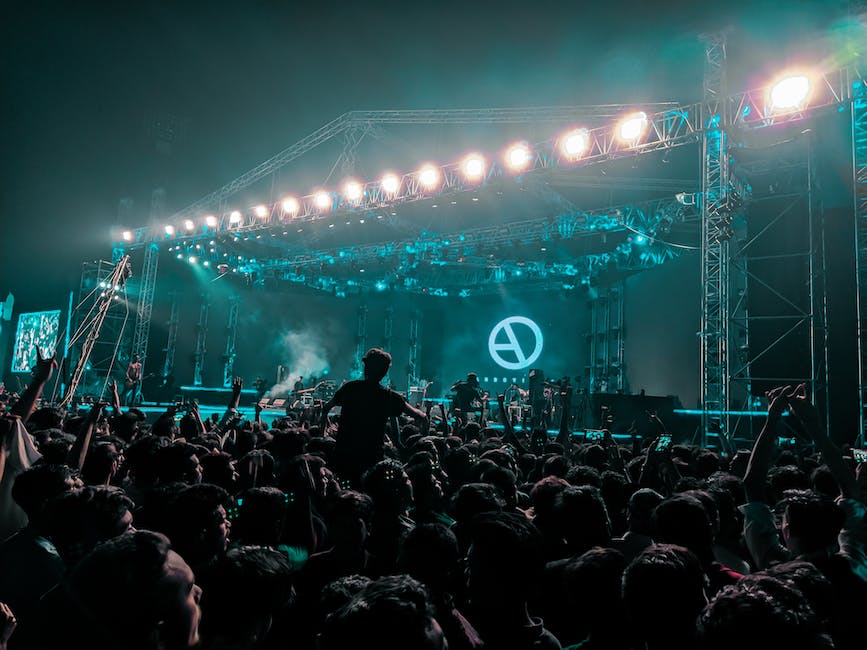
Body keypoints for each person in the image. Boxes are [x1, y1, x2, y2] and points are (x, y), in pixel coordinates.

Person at [320, 348, 426, 488]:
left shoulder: (350, 388)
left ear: (366, 367)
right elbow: (420, 416)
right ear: (385, 371)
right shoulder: (388, 396)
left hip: (343, 456)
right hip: (371, 460)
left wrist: (323, 431)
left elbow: (326, 407)